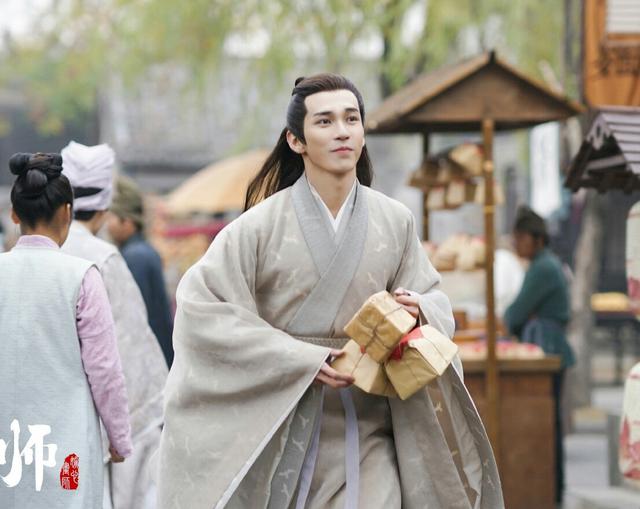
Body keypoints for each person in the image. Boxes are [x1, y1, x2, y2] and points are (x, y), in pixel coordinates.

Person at [157, 74, 503, 509]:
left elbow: (433, 298)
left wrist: (419, 310)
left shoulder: (395, 220)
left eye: (351, 119)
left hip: (372, 423)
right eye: (325, 121)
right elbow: (202, 309)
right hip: (285, 419)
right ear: (296, 140)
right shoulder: (258, 227)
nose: (342, 131)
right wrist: (300, 358)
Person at [0, 152, 132, 508]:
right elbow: (105, 370)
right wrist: (118, 437)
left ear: (14, 215)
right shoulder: (81, 277)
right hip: (65, 446)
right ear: (67, 212)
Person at [59, 141, 168, 509]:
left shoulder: (42, 251)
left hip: (51, 415)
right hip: (101, 419)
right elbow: (129, 353)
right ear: (105, 205)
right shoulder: (104, 258)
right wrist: (123, 432)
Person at [504, 205, 575, 504]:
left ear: (537, 239)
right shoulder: (543, 264)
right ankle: (555, 489)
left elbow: (514, 314)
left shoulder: (543, 268)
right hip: (549, 344)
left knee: (548, 425)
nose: (516, 243)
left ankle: (553, 489)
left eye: (521, 237)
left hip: (548, 346)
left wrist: (520, 318)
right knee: (551, 424)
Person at [107, 175, 174, 367]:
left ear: (127, 222)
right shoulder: (142, 251)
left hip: (149, 357)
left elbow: (133, 315)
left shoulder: (135, 257)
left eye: (112, 218)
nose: (108, 225)